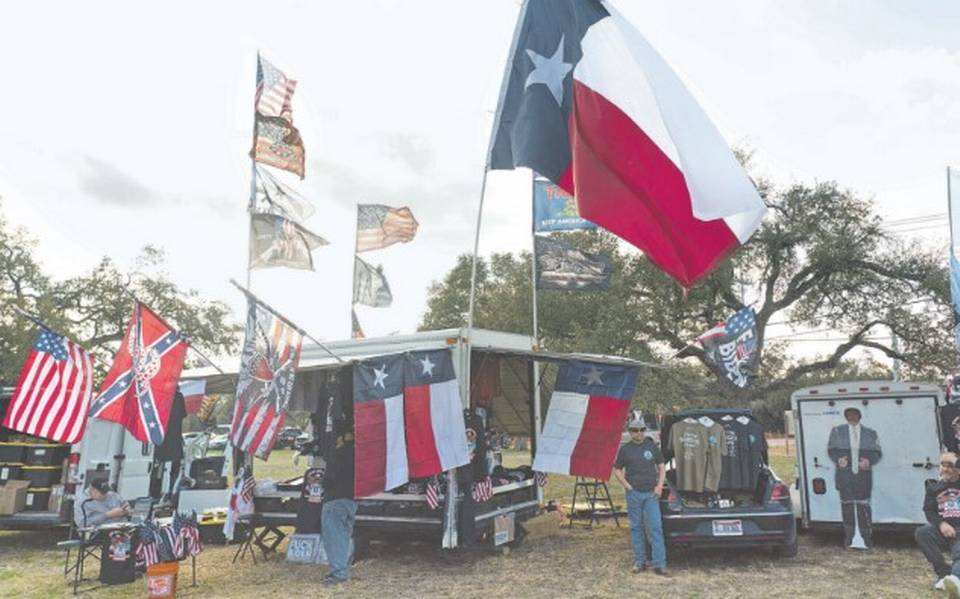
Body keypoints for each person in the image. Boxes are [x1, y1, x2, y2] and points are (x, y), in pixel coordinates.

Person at [613, 413, 668, 576]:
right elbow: (617, 470)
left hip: (651, 494)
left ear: (645, 430)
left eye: (642, 430)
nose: (639, 433)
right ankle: (640, 561)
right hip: (634, 494)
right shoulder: (625, 450)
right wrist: (627, 486)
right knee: (636, 528)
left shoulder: (651, 447)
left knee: (655, 527)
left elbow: (662, 466)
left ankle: (660, 564)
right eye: (635, 430)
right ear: (630, 431)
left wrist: (659, 486)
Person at [827, 407, 881, 548]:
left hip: (863, 477)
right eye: (848, 415)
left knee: (864, 507)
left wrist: (869, 461)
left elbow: (877, 452)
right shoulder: (837, 431)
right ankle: (849, 538)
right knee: (847, 507)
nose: (851, 417)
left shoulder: (870, 433)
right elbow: (831, 449)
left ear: (859, 416)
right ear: (845, 417)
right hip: (844, 476)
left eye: (854, 414)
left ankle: (867, 539)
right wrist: (838, 460)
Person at [916, 452, 960, 597]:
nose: (945, 469)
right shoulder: (933, 488)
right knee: (922, 532)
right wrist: (941, 524)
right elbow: (928, 511)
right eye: (943, 464)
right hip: (943, 530)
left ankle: (955, 578)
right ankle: (943, 573)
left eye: (950, 465)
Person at [321, 431, 357, 585]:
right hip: (351, 500)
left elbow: (329, 479)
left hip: (335, 500)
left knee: (334, 538)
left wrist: (323, 483)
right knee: (344, 537)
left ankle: (339, 572)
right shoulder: (357, 454)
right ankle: (343, 567)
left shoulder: (335, 455)